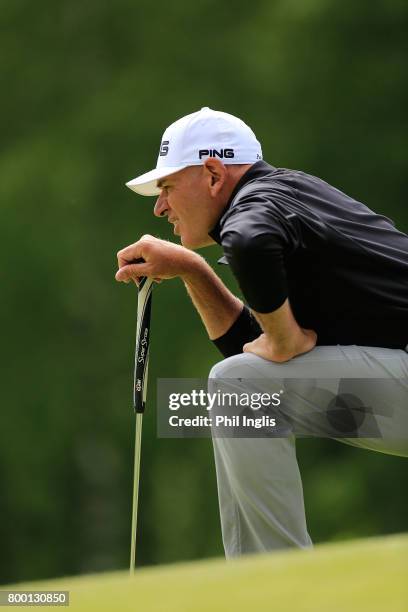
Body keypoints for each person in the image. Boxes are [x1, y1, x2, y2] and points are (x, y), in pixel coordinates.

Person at [115, 107, 408, 558]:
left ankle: (283, 590)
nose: (159, 206)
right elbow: (253, 357)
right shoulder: (284, 198)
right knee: (242, 385)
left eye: (168, 187)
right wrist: (194, 270)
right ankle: (264, 586)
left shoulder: (257, 205)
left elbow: (250, 244)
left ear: (213, 174)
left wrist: (284, 339)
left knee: (237, 386)